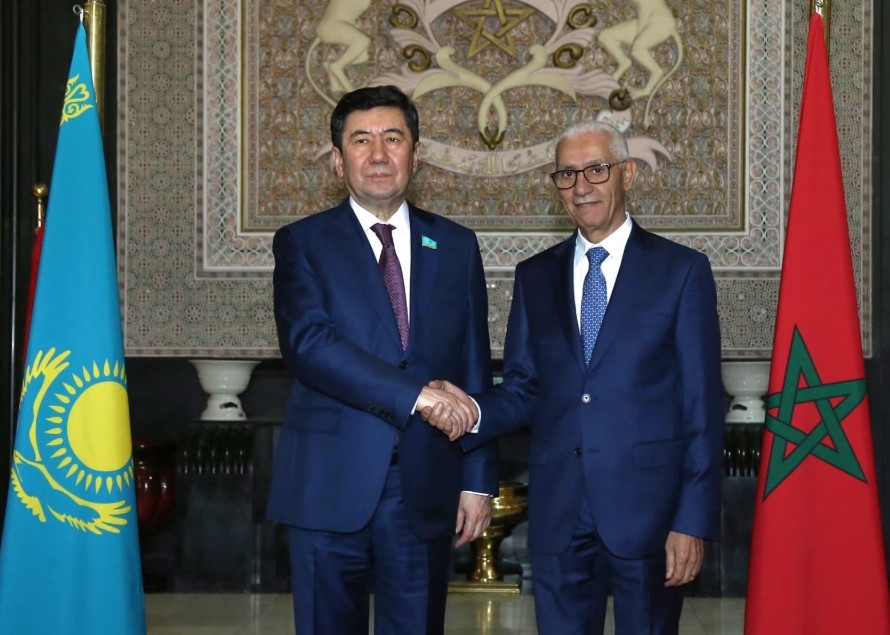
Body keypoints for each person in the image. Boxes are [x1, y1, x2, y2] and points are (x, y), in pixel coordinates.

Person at [424, 121, 724, 634]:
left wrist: (690, 521)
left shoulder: (681, 272)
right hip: (559, 512)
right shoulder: (535, 275)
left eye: (596, 170)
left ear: (628, 174)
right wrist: (471, 410)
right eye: (566, 174)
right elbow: (523, 389)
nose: (581, 186)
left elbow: (702, 408)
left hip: (650, 516)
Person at [267, 85, 497, 635]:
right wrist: (416, 396)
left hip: (424, 488)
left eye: (392, 139)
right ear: (337, 159)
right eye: (361, 140)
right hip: (328, 486)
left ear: (415, 154)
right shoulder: (302, 243)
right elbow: (310, 346)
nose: (377, 154)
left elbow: (473, 368)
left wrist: (477, 480)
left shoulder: (456, 245)